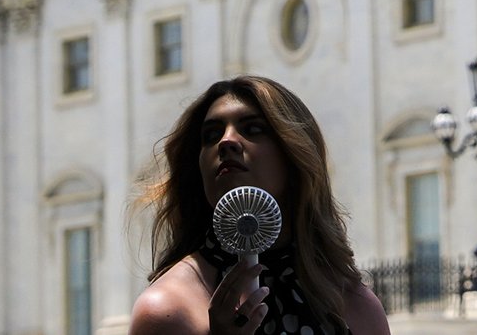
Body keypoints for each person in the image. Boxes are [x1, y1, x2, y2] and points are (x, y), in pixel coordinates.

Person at [130, 75, 390, 335]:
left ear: (294, 154)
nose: (226, 141)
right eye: (211, 135)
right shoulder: (168, 309)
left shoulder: (356, 306)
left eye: (253, 129)